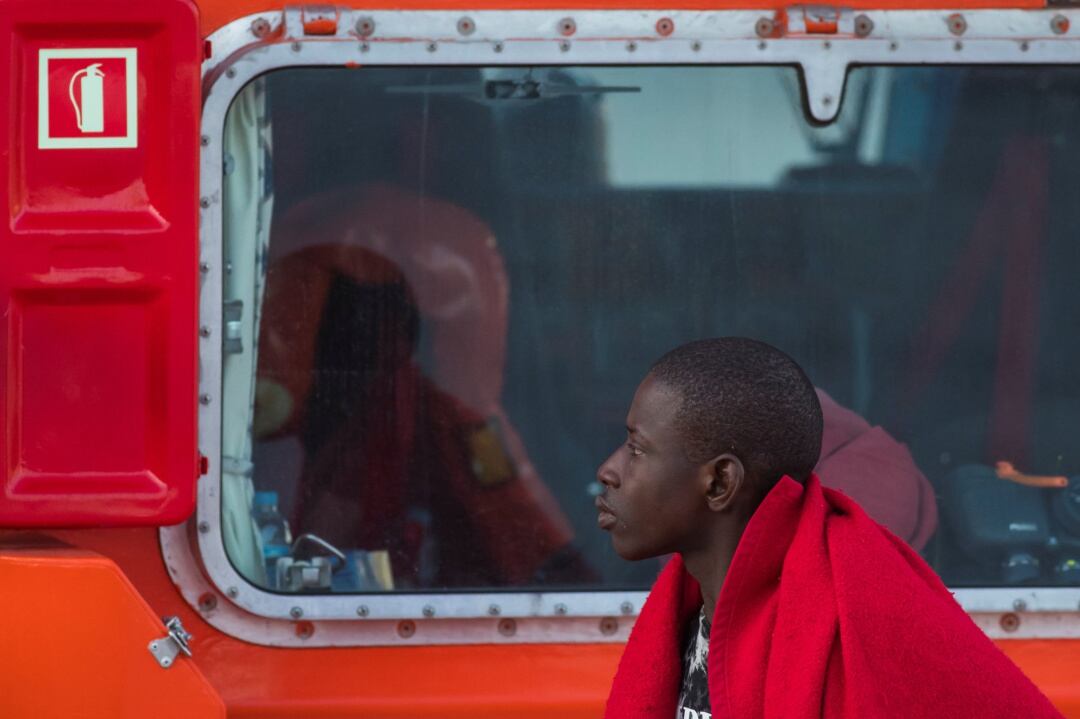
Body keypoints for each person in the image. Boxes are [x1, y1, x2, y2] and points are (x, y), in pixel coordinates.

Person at [597, 337, 1061, 719]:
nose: (608, 471)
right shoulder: (686, 615)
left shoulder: (855, 626)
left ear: (719, 482)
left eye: (636, 450)